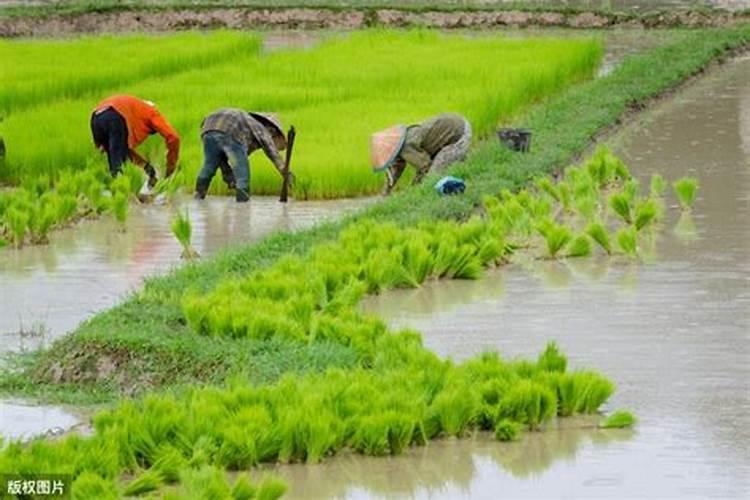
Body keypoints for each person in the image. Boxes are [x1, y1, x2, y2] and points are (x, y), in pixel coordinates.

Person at [195, 108, 287, 202]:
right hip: (230, 132)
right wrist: (285, 172)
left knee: (209, 166)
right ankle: (242, 205)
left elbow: (220, 156)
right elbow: (272, 152)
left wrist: (227, 172)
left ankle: (198, 197)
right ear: (272, 129)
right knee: (242, 175)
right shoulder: (261, 127)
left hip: (207, 129)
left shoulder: (247, 123)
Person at [370, 112, 472, 195]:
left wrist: (414, 189)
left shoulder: (406, 146)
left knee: (432, 180)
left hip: (459, 136)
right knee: (431, 178)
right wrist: (385, 192)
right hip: (459, 124)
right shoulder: (400, 143)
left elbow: (425, 166)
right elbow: (395, 171)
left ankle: (453, 193)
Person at [91, 95, 180, 187]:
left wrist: (148, 169)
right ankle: (122, 191)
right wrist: (171, 168)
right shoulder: (151, 112)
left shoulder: (133, 109)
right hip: (114, 116)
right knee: (118, 163)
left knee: (114, 157)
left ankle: (116, 190)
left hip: (96, 119)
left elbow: (125, 150)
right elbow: (173, 137)